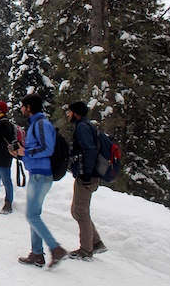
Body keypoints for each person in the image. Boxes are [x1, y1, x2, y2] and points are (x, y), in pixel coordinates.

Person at [10, 93, 67, 268]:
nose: (21, 109)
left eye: (23, 106)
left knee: (31, 215)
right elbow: (36, 149)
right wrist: (19, 153)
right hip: (37, 173)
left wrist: (24, 152)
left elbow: (46, 149)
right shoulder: (35, 124)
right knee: (34, 214)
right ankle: (37, 253)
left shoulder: (41, 124)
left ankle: (55, 248)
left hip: (41, 175)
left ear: (29, 107)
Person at [66, 101, 108, 261]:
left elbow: (89, 151)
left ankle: (86, 249)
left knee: (81, 212)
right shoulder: (84, 126)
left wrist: (86, 174)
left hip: (86, 176)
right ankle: (95, 242)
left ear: (76, 113)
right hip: (85, 174)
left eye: (69, 112)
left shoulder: (83, 128)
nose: (68, 115)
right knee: (76, 211)